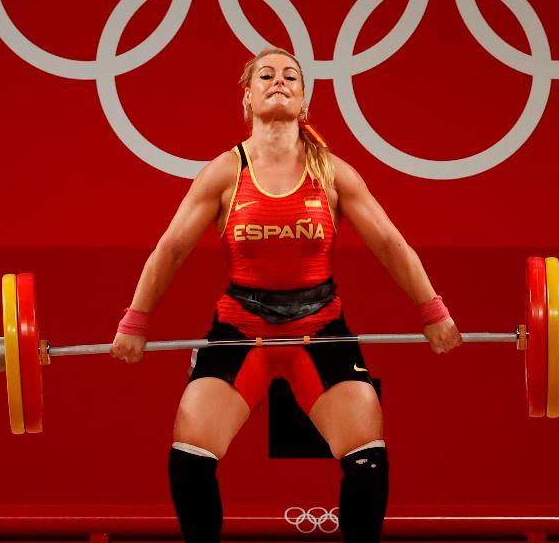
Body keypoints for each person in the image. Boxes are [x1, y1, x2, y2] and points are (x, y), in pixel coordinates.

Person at [109, 46, 462, 543]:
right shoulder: (224, 173)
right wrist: (135, 322)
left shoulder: (332, 173)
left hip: (319, 330)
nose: (279, 81)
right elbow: (170, 250)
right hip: (240, 331)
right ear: (247, 98)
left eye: (291, 77)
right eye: (267, 76)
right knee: (190, 457)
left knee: (367, 460)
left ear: (304, 101)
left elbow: (388, 243)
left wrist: (433, 312)